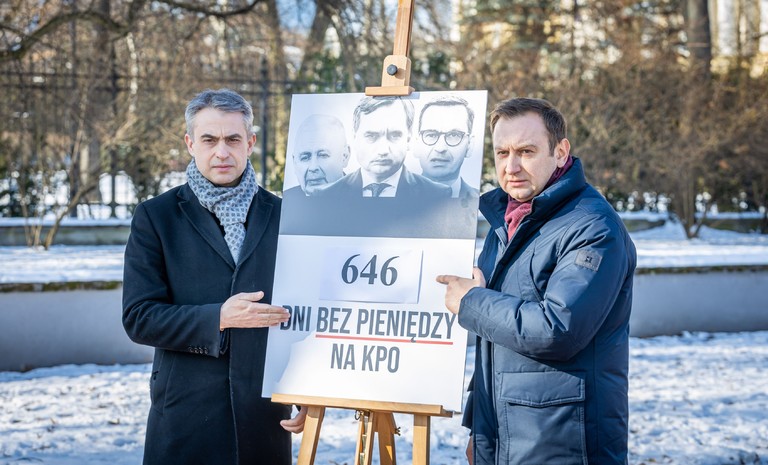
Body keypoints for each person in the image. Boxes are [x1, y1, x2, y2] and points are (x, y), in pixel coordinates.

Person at [437, 97, 636, 464]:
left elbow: (558, 330)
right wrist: (477, 428)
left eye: (526, 151)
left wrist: (471, 302)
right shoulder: (507, 220)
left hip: (563, 441)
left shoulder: (593, 227)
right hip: (504, 434)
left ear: (560, 152)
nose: (511, 167)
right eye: (502, 153)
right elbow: (494, 342)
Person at [122, 88, 306, 465]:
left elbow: (306, 312)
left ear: (250, 143)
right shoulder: (156, 217)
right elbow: (139, 317)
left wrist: (308, 391)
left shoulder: (286, 215)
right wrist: (218, 318)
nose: (222, 152)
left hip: (265, 418)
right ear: (190, 144)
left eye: (233, 139)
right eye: (209, 140)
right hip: (186, 418)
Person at [318, 96, 450, 199]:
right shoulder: (325, 196)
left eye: (394, 135)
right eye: (371, 136)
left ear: (408, 139)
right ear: (354, 138)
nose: (383, 150)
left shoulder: (438, 195)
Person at [414, 95, 480, 204]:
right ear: (416, 144)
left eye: (454, 135)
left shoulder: (483, 206)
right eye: (431, 135)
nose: (440, 148)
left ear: (469, 145)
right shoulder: (390, 202)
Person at [281, 114, 350, 201]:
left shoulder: (362, 199)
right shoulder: (286, 201)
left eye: (323, 155)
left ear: (344, 157)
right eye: (305, 158)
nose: (313, 167)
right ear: (294, 162)